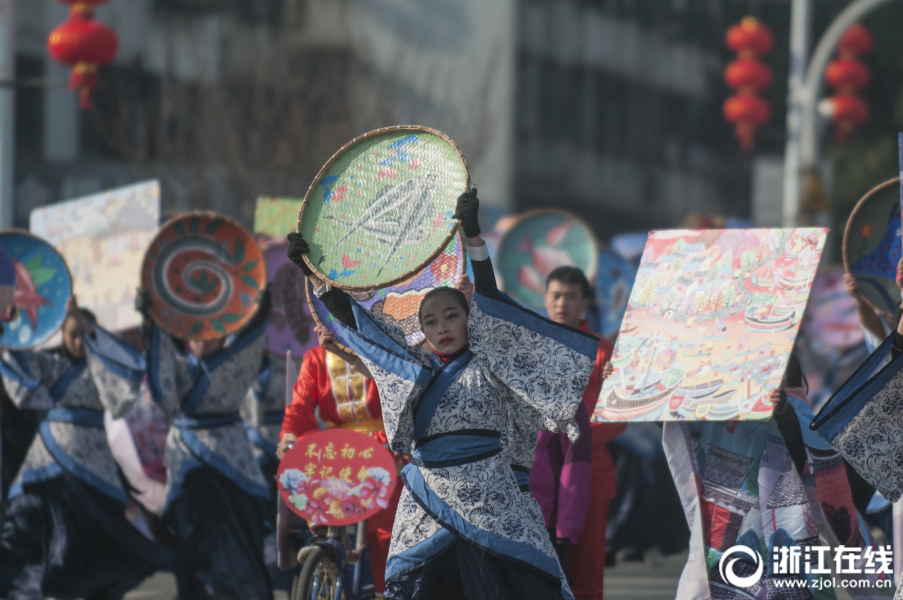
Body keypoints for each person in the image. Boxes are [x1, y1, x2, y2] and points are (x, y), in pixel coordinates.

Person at [286, 189, 598, 600]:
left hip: (490, 494)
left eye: (453, 315)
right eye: (431, 321)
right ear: (423, 332)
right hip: (427, 494)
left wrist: (473, 238)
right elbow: (361, 323)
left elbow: (492, 301)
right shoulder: (413, 369)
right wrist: (312, 272)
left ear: (471, 320)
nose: (443, 326)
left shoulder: (492, 360)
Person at [661, 355, 890, 597]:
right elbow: (679, 421)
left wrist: (784, 414)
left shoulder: (794, 406)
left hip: (785, 524)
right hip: (723, 524)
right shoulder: (720, 403)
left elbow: (807, 458)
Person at [0, 296, 173, 600]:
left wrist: (88, 328)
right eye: (72, 334)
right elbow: (18, 364)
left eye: (84, 334)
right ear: (61, 336)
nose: (78, 341)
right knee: (23, 527)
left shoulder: (101, 370)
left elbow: (126, 379)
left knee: (94, 539)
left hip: (93, 469)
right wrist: (7, 328)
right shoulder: (51, 366)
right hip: (46, 462)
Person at [141, 289, 274, 600]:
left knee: (241, 541)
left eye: (210, 328)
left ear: (223, 330)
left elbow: (249, 343)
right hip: (186, 463)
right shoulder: (177, 365)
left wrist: (258, 312)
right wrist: (151, 322)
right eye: (195, 329)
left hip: (231, 461)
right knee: (192, 544)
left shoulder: (235, 361)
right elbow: (163, 393)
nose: (201, 337)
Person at [275, 335, 401, 597]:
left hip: (383, 446)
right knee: (306, 446)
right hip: (337, 448)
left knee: (385, 534)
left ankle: (385, 591)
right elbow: (299, 407)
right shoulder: (315, 357)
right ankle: (321, 530)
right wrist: (289, 439)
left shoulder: (382, 348)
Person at [530, 266, 624, 599]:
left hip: (588, 471)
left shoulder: (603, 352)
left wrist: (573, 439)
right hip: (536, 472)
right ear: (544, 299)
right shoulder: (529, 349)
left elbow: (617, 418)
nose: (562, 304)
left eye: (571, 297)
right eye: (556, 296)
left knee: (584, 573)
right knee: (535, 567)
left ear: (584, 303)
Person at [242, 351, 293, 590]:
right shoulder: (237, 365)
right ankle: (265, 566)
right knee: (260, 510)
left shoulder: (288, 362)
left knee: (287, 509)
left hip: (287, 444)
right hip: (252, 449)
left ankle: (287, 565)